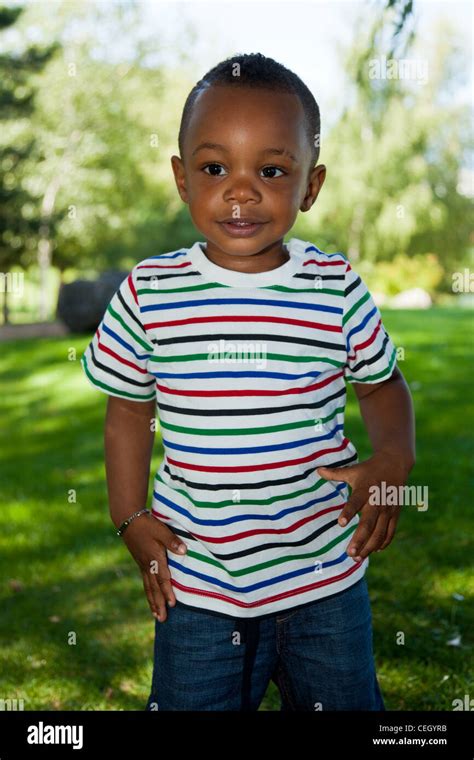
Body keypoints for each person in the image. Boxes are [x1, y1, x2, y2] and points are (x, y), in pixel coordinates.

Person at [81, 52, 415, 711]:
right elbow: (127, 410)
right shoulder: (150, 291)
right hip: (197, 585)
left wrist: (395, 459)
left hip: (325, 576)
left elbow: (382, 386)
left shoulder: (335, 286)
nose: (241, 190)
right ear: (181, 179)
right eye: (214, 168)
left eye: (270, 170)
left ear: (310, 186)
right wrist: (129, 517)